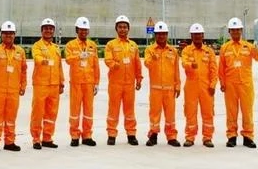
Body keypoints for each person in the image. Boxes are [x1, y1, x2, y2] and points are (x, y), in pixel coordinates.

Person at [219, 16, 258, 149]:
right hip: (230, 85)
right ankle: (231, 136)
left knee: (247, 111)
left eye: (237, 30)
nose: (235, 33)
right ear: (229, 32)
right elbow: (221, 68)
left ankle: (248, 137)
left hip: (246, 84)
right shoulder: (225, 48)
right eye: (233, 31)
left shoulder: (248, 46)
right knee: (231, 111)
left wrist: (256, 50)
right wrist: (222, 82)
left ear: (241, 31)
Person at [0, 21, 27, 153]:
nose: (8, 35)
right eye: (5, 33)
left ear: (14, 35)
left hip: (14, 90)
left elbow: (23, 70)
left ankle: (9, 142)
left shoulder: (20, 52)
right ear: (1, 35)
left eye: (11, 33)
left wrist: (23, 85)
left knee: (11, 117)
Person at [103, 14, 143, 145]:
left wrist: (139, 78)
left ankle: (131, 134)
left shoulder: (133, 45)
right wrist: (115, 65)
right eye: (120, 27)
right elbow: (108, 59)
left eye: (125, 27)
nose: (122, 29)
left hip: (129, 83)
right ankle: (111, 134)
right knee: (113, 109)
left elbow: (137, 63)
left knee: (129, 110)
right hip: (115, 83)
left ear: (128, 29)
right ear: (116, 29)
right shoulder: (111, 44)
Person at [144, 21, 181, 147]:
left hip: (169, 89)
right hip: (155, 89)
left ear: (167, 35)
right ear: (155, 35)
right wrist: (153, 60)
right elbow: (147, 64)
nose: (161, 36)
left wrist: (178, 85)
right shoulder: (150, 50)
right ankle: (153, 135)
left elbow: (176, 70)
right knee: (154, 113)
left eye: (163, 34)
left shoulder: (173, 51)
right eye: (158, 34)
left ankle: (171, 137)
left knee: (170, 114)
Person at [181, 23, 218, 147]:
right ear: (191, 36)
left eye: (199, 34)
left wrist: (213, 85)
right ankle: (190, 137)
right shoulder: (186, 50)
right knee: (190, 112)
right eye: (195, 34)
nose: (197, 36)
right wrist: (191, 66)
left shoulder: (209, 52)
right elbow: (184, 62)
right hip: (191, 86)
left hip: (206, 87)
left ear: (203, 36)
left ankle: (207, 137)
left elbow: (214, 70)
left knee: (208, 112)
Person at [65, 16, 100, 147]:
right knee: (74, 111)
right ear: (77, 30)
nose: (84, 32)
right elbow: (68, 60)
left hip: (89, 83)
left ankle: (87, 135)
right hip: (76, 82)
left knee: (88, 111)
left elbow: (96, 65)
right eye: (81, 30)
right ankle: (74, 135)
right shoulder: (70, 45)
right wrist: (78, 56)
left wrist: (96, 83)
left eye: (86, 30)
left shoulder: (92, 45)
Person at [30, 18, 65, 150]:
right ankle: (36, 139)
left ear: (53, 31)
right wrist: (42, 61)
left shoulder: (56, 48)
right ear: (42, 30)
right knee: (38, 112)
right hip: (41, 84)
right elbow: (36, 57)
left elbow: (59, 66)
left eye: (51, 28)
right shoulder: (37, 45)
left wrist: (61, 81)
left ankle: (47, 138)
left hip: (54, 84)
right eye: (46, 28)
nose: (48, 30)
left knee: (51, 113)